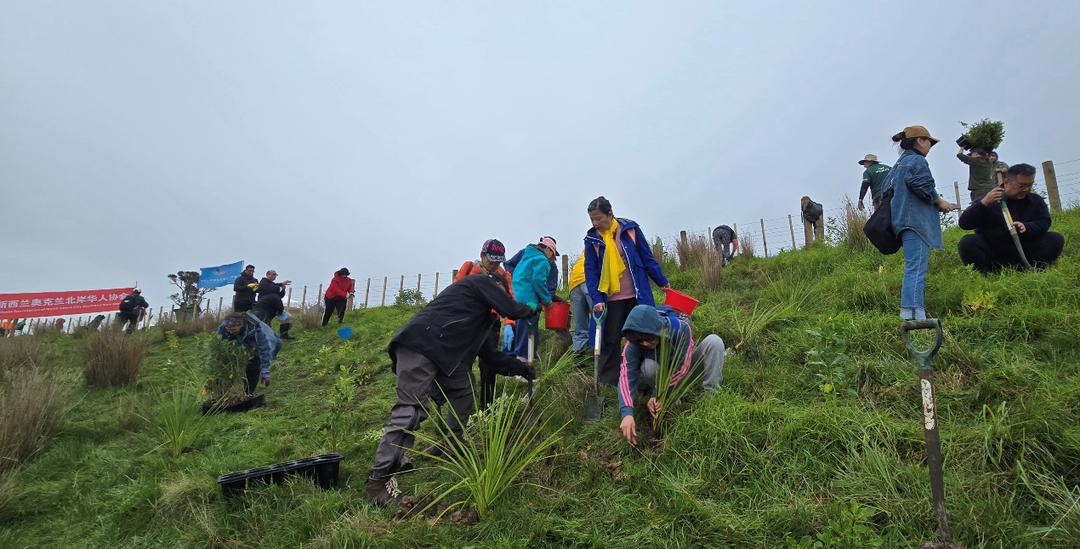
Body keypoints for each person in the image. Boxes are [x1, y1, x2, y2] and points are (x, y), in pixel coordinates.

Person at [364, 269, 538, 506]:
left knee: (464, 392)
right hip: (422, 344)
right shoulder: (477, 282)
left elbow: (490, 357)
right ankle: (379, 480)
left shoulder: (483, 318)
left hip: (445, 356)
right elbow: (512, 309)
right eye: (502, 293)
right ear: (495, 287)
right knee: (411, 410)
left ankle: (451, 444)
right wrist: (531, 308)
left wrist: (520, 367)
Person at [583, 196, 670, 386]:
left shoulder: (629, 230)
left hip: (637, 296)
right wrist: (596, 298)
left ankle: (646, 378)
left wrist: (661, 281)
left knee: (643, 334)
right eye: (592, 220)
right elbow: (591, 273)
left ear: (610, 214)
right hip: (610, 300)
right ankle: (609, 382)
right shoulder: (592, 241)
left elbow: (646, 257)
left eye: (599, 218)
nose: (596, 223)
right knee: (610, 339)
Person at [617, 305, 725, 446]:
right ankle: (662, 400)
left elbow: (683, 367)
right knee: (649, 367)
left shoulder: (680, 328)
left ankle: (712, 398)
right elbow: (626, 376)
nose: (644, 344)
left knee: (714, 341)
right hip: (654, 377)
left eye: (648, 338)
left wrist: (659, 393)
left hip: (682, 374)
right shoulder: (634, 341)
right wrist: (627, 414)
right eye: (640, 341)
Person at [889, 126, 953, 321]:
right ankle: (914, 314)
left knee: (913, 265)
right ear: (919, 140)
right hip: (915, 222)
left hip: (902, 221)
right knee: (916, 267)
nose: (930, 146)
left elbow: (886, 190)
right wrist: (939, 200)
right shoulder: (917, 160)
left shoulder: (898, 164)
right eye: (929, 141)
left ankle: (911, 313)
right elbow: (923, 185)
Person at [958, 163, 1065, 273]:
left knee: (1055, 238)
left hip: (1026, 251)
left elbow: (1044, 222)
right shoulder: (988, 200)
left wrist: (1026, 227)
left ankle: (1035, 269)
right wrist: (983, 203)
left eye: (1030, 185)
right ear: (1006, 182)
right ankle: (986, 274)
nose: (1026, 189)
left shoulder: (1035, 200)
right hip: (994, 253)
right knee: (967, 242)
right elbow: (964, 223)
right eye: (1021, 186)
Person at [453, 239, 520, 408]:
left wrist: (510, 324)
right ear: (482, 255)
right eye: (491, 260)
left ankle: (486, 407)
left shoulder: (504, 276)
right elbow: (454, 294)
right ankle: (462, 404)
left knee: (488, 366)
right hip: (466, 325)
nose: (494, 265)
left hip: (490, 325)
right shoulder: (469, 269)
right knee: (462, 364)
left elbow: (510, 302)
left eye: (498, 261)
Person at [510, 236, 559, 359]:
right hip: (529, 300)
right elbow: (538, 281)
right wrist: (547, 300)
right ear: (547, 249)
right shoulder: (542, 260)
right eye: (553, 254)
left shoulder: (527, 257)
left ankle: (528, 357)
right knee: (528, 329)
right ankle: (523, 362)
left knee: (523, 328)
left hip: (517, 296)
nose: (553, 259)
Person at [215, 312, 282, 394]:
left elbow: (266, 350)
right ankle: (222, 392)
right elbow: (217, 344)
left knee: (253, 367)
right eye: (228, 329)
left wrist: (265, 370)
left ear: (241, 325)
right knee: (226, 363)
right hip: (244, 340)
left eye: (233, 329)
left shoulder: (258, 331)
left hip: (266, 344)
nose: (231, 332)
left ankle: (248, 393)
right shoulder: (224, 327)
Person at [254, 270, 293, 340]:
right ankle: (264, 339)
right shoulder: (263, 282)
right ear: (268, 275)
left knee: (287, 318)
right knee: (265, 323)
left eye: (276, 275)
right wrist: (280, 285)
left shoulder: (272, 285)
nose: (275, 276)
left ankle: (284, 335)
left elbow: (280, 295)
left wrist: (283, 288)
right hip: (264, 308)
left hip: (273, 307)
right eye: (274, 274)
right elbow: (272, 288)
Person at [566, 252, 593, 353]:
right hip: (590, 279)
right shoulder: (608, 240)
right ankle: (599, 357)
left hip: (574, 282)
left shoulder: (586, 249)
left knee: (580, 326)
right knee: (600, 320)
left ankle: (578, 361)